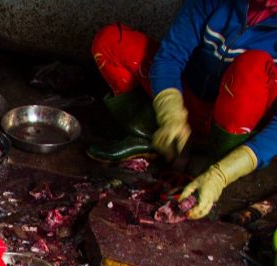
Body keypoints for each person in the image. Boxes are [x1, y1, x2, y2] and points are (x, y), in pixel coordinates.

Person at [90, 0, 277, 218]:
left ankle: (216, 160)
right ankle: (156, 137)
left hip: (235, 119)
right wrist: (170, 113)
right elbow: (170, 56)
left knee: (253, 65)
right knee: (111, 42)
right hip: (186, 101)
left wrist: (221, 174)